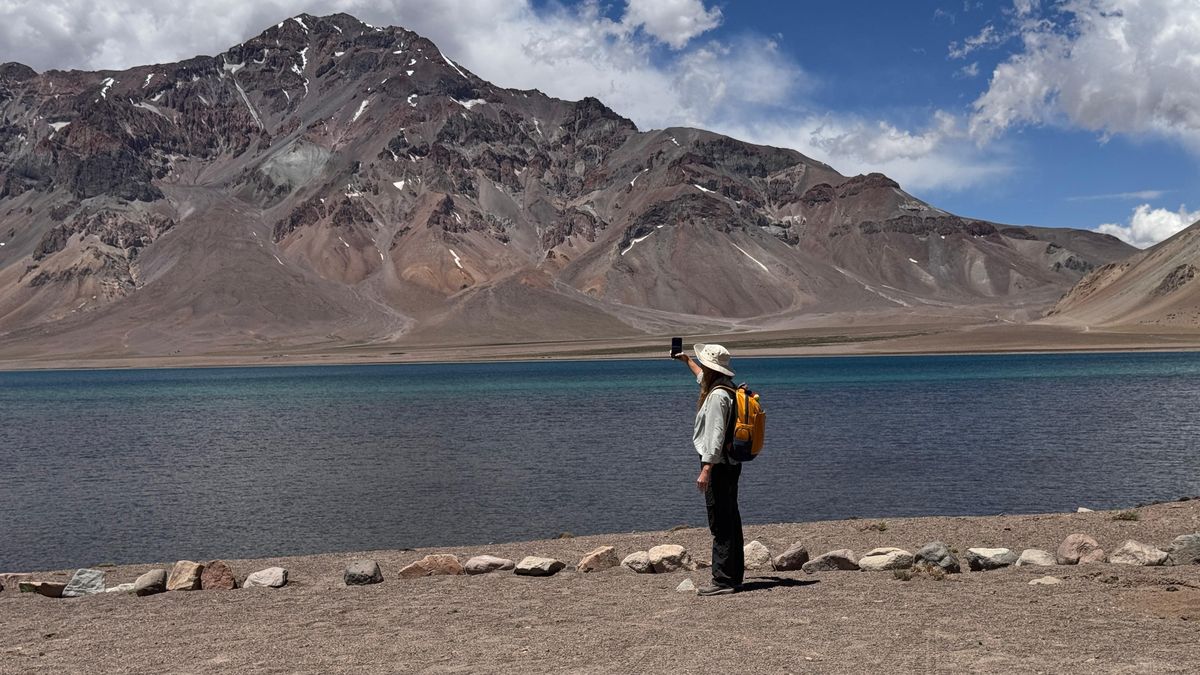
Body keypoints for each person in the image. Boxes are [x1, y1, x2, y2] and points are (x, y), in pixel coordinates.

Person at [674, 343, 743, 596]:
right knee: (731, 518)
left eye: (703, 363)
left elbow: (714, 436)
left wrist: (706, 469)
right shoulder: (727, 387)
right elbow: (702, 377)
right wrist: (687, 361)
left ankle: (723, 580)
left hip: (718, 465)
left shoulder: (716, 397)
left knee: (720, 521)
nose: (702, 368)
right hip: (730, 464)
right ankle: (734, 575)